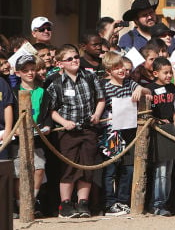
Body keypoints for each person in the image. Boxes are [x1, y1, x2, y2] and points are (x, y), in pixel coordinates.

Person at [46, 44, 105, 218]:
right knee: (69, 168)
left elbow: (100, 99)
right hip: (67, 132)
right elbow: (51, 110)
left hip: (88, 129)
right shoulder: (55, 83)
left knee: (87, 166)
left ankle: (83, 203)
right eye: (69, 59)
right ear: (60, 63)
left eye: (76, 57)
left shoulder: (89, 77)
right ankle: (65, 204)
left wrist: (96, 114)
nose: (74, 61)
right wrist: (64, 122)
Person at [100, 51, 151, 216]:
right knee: (110, 170)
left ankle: (122, 201)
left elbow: (148, 91)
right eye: (116, 68)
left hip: (129, 131)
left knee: (128, 168)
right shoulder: (104, 86)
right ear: (109, 71)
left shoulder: (130, 83)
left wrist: (140, 91)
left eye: (122, 66)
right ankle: (109, 203)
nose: (121, 70)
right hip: (111, 133)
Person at [10, 55, 45, 218]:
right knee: (19, 172)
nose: (30, 73)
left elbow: (46, 113)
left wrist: (48, 126)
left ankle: (31, 201)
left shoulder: (42, 91)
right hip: (18, 138)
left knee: (39, 169)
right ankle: (20, 205)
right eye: (25, 70)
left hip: (38, 137)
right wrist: (14, 130)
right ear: (18, 73)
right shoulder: (14, 93)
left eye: (33, 69)